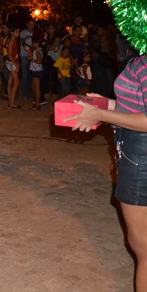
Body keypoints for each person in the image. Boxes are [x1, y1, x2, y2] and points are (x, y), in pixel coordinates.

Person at [66, 54, 147, 291]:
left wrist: (100, 115)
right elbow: (138, 105)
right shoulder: (140, 58)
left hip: (141, 157)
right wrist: (108, 105)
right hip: (135, 153)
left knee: (143, 247)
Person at [5, 26, 21, 109]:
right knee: (16, 82)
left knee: (10, 81)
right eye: (17, 31)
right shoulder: (11, 41)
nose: (18, 33)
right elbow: (9, 54)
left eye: (19, 31)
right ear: (12, 32)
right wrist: (15, 64)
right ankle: (12, 102)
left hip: (11, 62)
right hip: (11, 62)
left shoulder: (13, 40)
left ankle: (10, 101)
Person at [27, 38, 44, 109]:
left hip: (36, 70)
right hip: (34, 70)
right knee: (33, 86)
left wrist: (32, 59)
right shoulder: (37, 50)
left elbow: (39, 61)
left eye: (34, 43)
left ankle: (38, 103)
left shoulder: (38, 51)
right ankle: (36, 102)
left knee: (36, 87)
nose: (33, 44)